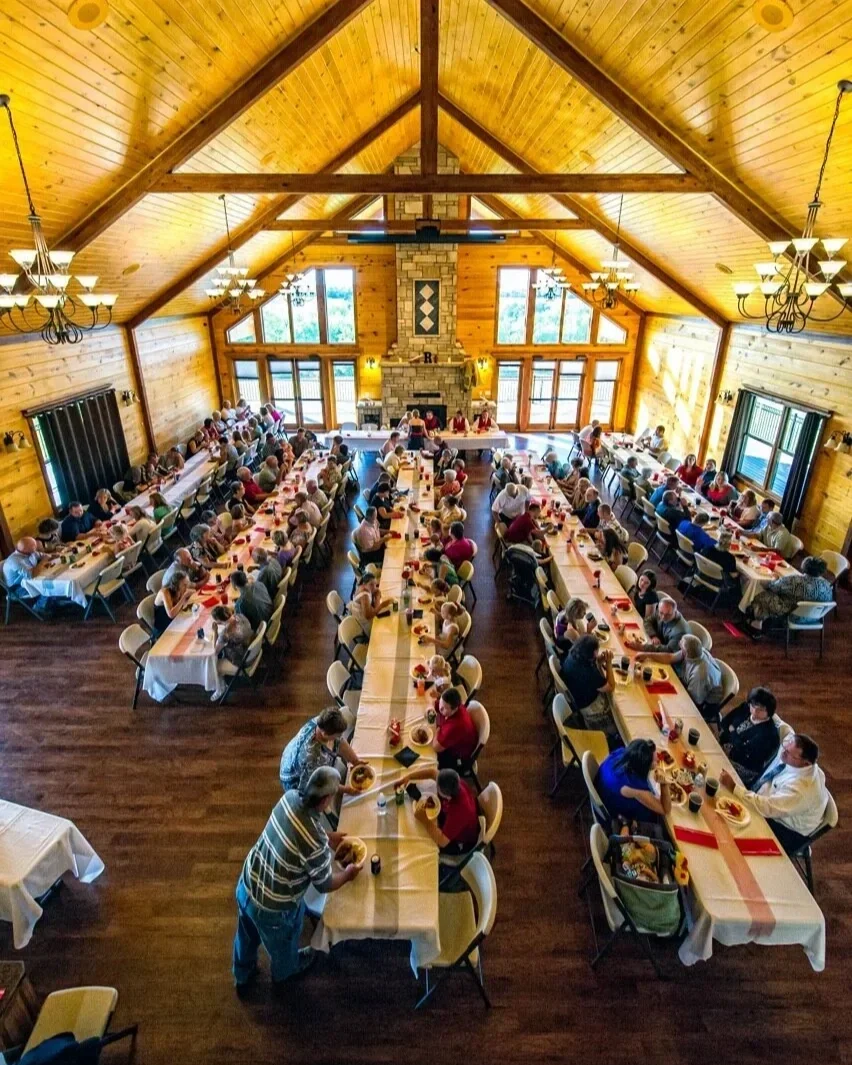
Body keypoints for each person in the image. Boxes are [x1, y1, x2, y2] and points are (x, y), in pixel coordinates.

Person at [233, 766, 362, 990]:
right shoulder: (315, 843)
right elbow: (325, 884)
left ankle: (242, 975)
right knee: (284, 944)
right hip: (273, 907)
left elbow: (298, 830)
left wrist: (327, 838)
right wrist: (348, 875)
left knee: (245, 935)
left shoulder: (290, 798)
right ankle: (285, 975)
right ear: (326, 800)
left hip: (247, 882)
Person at [719, 734, 828, 856]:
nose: (783, 752)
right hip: (771, 800)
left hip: (785, 829)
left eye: (788, 753)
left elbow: (768, 808)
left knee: (730, 826)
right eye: (785, 747)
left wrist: (734, 788)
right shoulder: (796, 762)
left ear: (806, 763)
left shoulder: (802, 790)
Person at [279, 708, 365, 794]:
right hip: (296, 780)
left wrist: (355, 761)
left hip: (296, 757)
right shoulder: (313, 757)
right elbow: (320, 783)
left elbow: (340, 741)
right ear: (324, 734)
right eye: (336, 736)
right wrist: (347, 790)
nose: (339, 737)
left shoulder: (323, 722)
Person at [635, 634, 723, 714]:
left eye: (681, 643)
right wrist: (647, 655)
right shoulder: (695, 651)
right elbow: (670, 657)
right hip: (692, 688)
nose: (679, 643)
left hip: (704, 704)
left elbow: (692, 702)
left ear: (685, 653)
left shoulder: (699, 674)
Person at [400, 767, 481, 854]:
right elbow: (432, 773)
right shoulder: (455, 782)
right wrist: (409, 777)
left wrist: (425, 820)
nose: (435, 783)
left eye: (437, 787)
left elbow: (442, 842)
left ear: (447, 796)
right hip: (454, 817)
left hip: (460, 841)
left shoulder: (459, 811)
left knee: (423, 843)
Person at [747, 556, 833, 633]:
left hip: (792, 615)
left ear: (804, 567)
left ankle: (757, 622)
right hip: (814, 618)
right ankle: (762, 621)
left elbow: (772, 587)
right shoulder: (827, 586)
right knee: (785, 597)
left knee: (764, 594)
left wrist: (775, 578)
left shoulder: (795, 580)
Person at [559, 634, 619, 743]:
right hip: (589, 708)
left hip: (576, 695)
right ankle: (614, 736)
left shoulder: (573, 654)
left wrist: (599, 660)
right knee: (617, 708)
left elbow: (593, 666)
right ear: (592, 654)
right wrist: (609, 663)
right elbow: (610, 686)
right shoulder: (588, 672)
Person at [595, 739, 672, 823]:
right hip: (615, 816)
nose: (657, 759)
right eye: (654, 760)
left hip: (601, 789)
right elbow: (665, 809)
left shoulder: (622, 752)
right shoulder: (633, 785)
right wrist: (664, 784)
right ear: (643, 766)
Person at [718, 687, 781, 787]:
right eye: (753, 706)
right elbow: (726, 721)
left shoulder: (769, 734)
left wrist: (733, 732)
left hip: (743, 767)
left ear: (769, 712)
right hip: (726, 747)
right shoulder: (745, 708)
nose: (755, 711)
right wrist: (731, 736)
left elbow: (744, 753)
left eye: (761, 709)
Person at [209, 605, 253, 700]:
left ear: (218, 620)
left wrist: (215, 632)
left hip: (242, 661)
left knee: (213, 665)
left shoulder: (225, 634)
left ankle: (221, 688)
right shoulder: (240, 616)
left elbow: (214, 651)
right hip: (251, 651)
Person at [430, 687, 479, 768]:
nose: (440, 708)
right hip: (457, 740)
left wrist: (438, 729)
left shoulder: (455, 726)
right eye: (441, 703)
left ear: (455, 709)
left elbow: (436, 747)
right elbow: (437, 705)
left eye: (444, 708)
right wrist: (439, 698)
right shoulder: (456, 705)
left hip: (458, 756)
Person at [2, 537, 49, 614]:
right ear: (26, 549)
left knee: (50, 580)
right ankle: (39, 607)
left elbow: (46, 556)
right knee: (47, 586)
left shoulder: (31, 553)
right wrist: (43, 562)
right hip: (16, 589)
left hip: (29, 581)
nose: (36, 546)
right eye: (34, 545)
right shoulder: (15, 560)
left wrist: (60, 554)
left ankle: (52, 601)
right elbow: (31, 575)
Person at [153, 570, 192, 637]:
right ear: (176, 585)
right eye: (184, 585)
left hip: (175, 623)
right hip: (163, 630)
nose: (186, 587)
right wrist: (184, 597)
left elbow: (192, 593)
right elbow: (171, 614)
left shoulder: (179, 591)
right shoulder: (165, 592)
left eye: (187, 584)